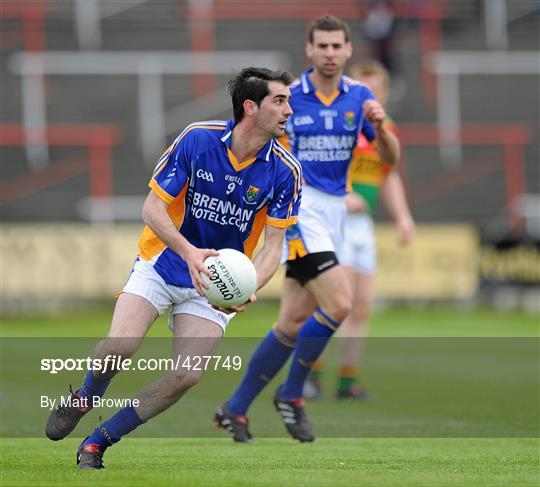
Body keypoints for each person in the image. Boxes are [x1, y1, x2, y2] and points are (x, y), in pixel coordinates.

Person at [45, 67, 302, 469]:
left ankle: (98, 441)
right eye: (280, 101)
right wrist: (189, 253)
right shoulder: (198, 139)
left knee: (187, 376)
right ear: (250, 107)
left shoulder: (285, 170)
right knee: (119, 348)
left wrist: (252, 286)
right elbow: (152, 208)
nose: (289, 109)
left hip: (215, 286)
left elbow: (273, 247)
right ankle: (85, 397)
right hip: (163, 263)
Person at [215, 15, 400, 443]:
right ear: (310, 50)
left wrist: (378, 125)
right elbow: (255, 140)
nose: (331, 54)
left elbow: (389, 158)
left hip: (334, 212)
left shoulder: (361, 98)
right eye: (323, 46)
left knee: (292, 322)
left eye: (338, 47)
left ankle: (235, 408)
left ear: (349, 51)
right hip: (301, 207)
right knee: (340, 303)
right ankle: (293, 393)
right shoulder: (289, 98)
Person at [303, 60, 415, 400]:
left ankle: (347, 379)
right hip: (336, 220)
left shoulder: (387, 128)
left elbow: (388, 175)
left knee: (363, 304)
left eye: (376, 90)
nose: (370, 97)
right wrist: (342, 193)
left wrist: (403, 216)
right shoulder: (342, 123)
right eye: (365, 90)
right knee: (338, 302)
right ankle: (312, 374)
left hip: (362, 225)